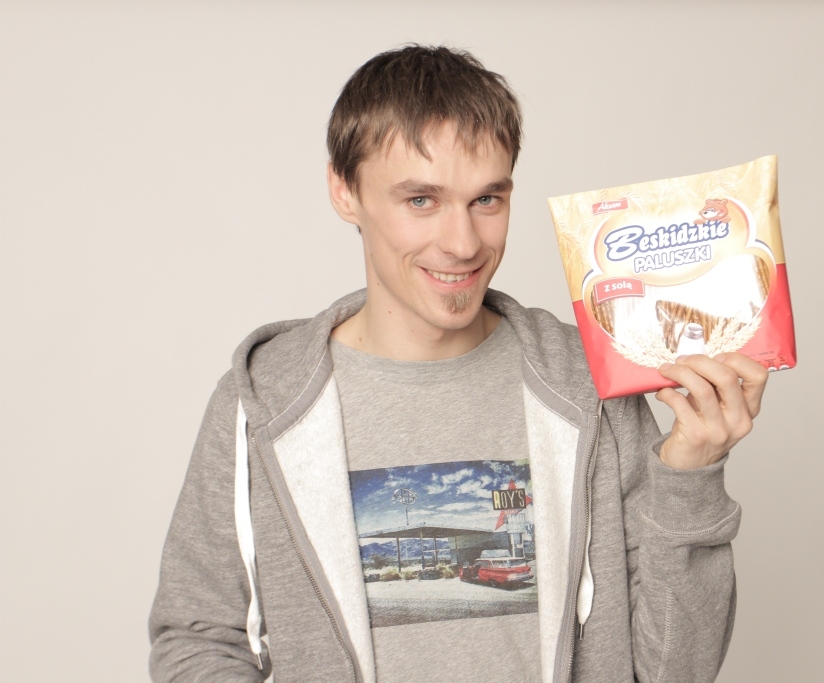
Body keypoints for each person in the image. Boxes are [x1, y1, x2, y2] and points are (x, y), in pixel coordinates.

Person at [149, 45, 769, 683]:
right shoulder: (262, 403)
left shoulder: (590, 383)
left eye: (487, 199)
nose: (463, 243)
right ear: (344, 190)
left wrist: (691, 472)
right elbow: (198, 640)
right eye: (421, 200)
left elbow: (673, 671)